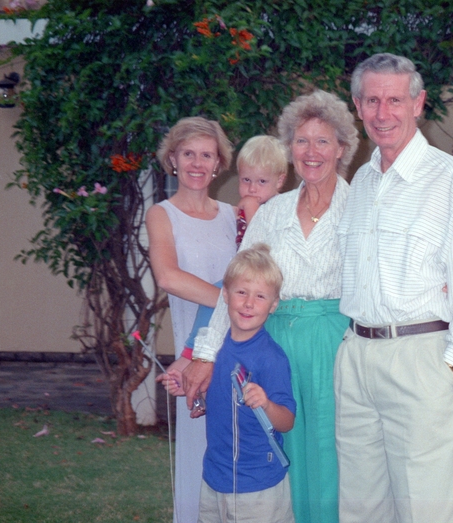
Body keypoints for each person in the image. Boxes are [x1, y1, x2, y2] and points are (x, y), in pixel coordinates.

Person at [184, 90, 359, 523]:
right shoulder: (272, 212)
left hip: (335, 347)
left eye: (323, 142)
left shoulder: (361, 208)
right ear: (289, 150)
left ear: (342, 149)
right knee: (273, 449)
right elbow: (238, 281)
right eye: (302, 141)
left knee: (333, 453)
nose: (312, 152)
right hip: (271, 348)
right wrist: (206, 355)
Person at [334, 53, 453, 523]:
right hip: (357, 357)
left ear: (418, 103)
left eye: (395, 100)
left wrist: (448, 368)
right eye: (372, 101)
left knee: (424, 509)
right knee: (360, 509)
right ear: (358, 105)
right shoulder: (361, 182)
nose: (383, 114)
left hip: (420, 360)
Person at [146, 116, 238, 523]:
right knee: (200, 459)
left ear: (219, 163)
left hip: (240, 352)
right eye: (189, 154)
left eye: (207, 154)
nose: (198, 163)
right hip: (195, 355)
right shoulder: (162, 215)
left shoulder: (235, 216)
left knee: (241, 454)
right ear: (173, 160)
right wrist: (234, 302)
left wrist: (243, 307)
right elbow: (168, 276)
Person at [161, 135, 287, 380]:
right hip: (253, 281)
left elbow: (258, 243)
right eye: (246, 180)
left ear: (279, 181)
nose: (252, 188)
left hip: (262, 278)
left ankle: (190, 353)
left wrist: (249, 210)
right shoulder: (249, 208)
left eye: (262, 181)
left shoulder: (269, 208)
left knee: (221, 293)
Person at [199, 244, 296, 523]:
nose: (249, 303)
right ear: (226, 295)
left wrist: (266, 403)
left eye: (260, 296)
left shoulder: (271, 357)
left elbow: (287, 421)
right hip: (215, 478)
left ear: (273, 305)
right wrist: (199, 398)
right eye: (241, 292)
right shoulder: (217, 348)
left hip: (257, 486)